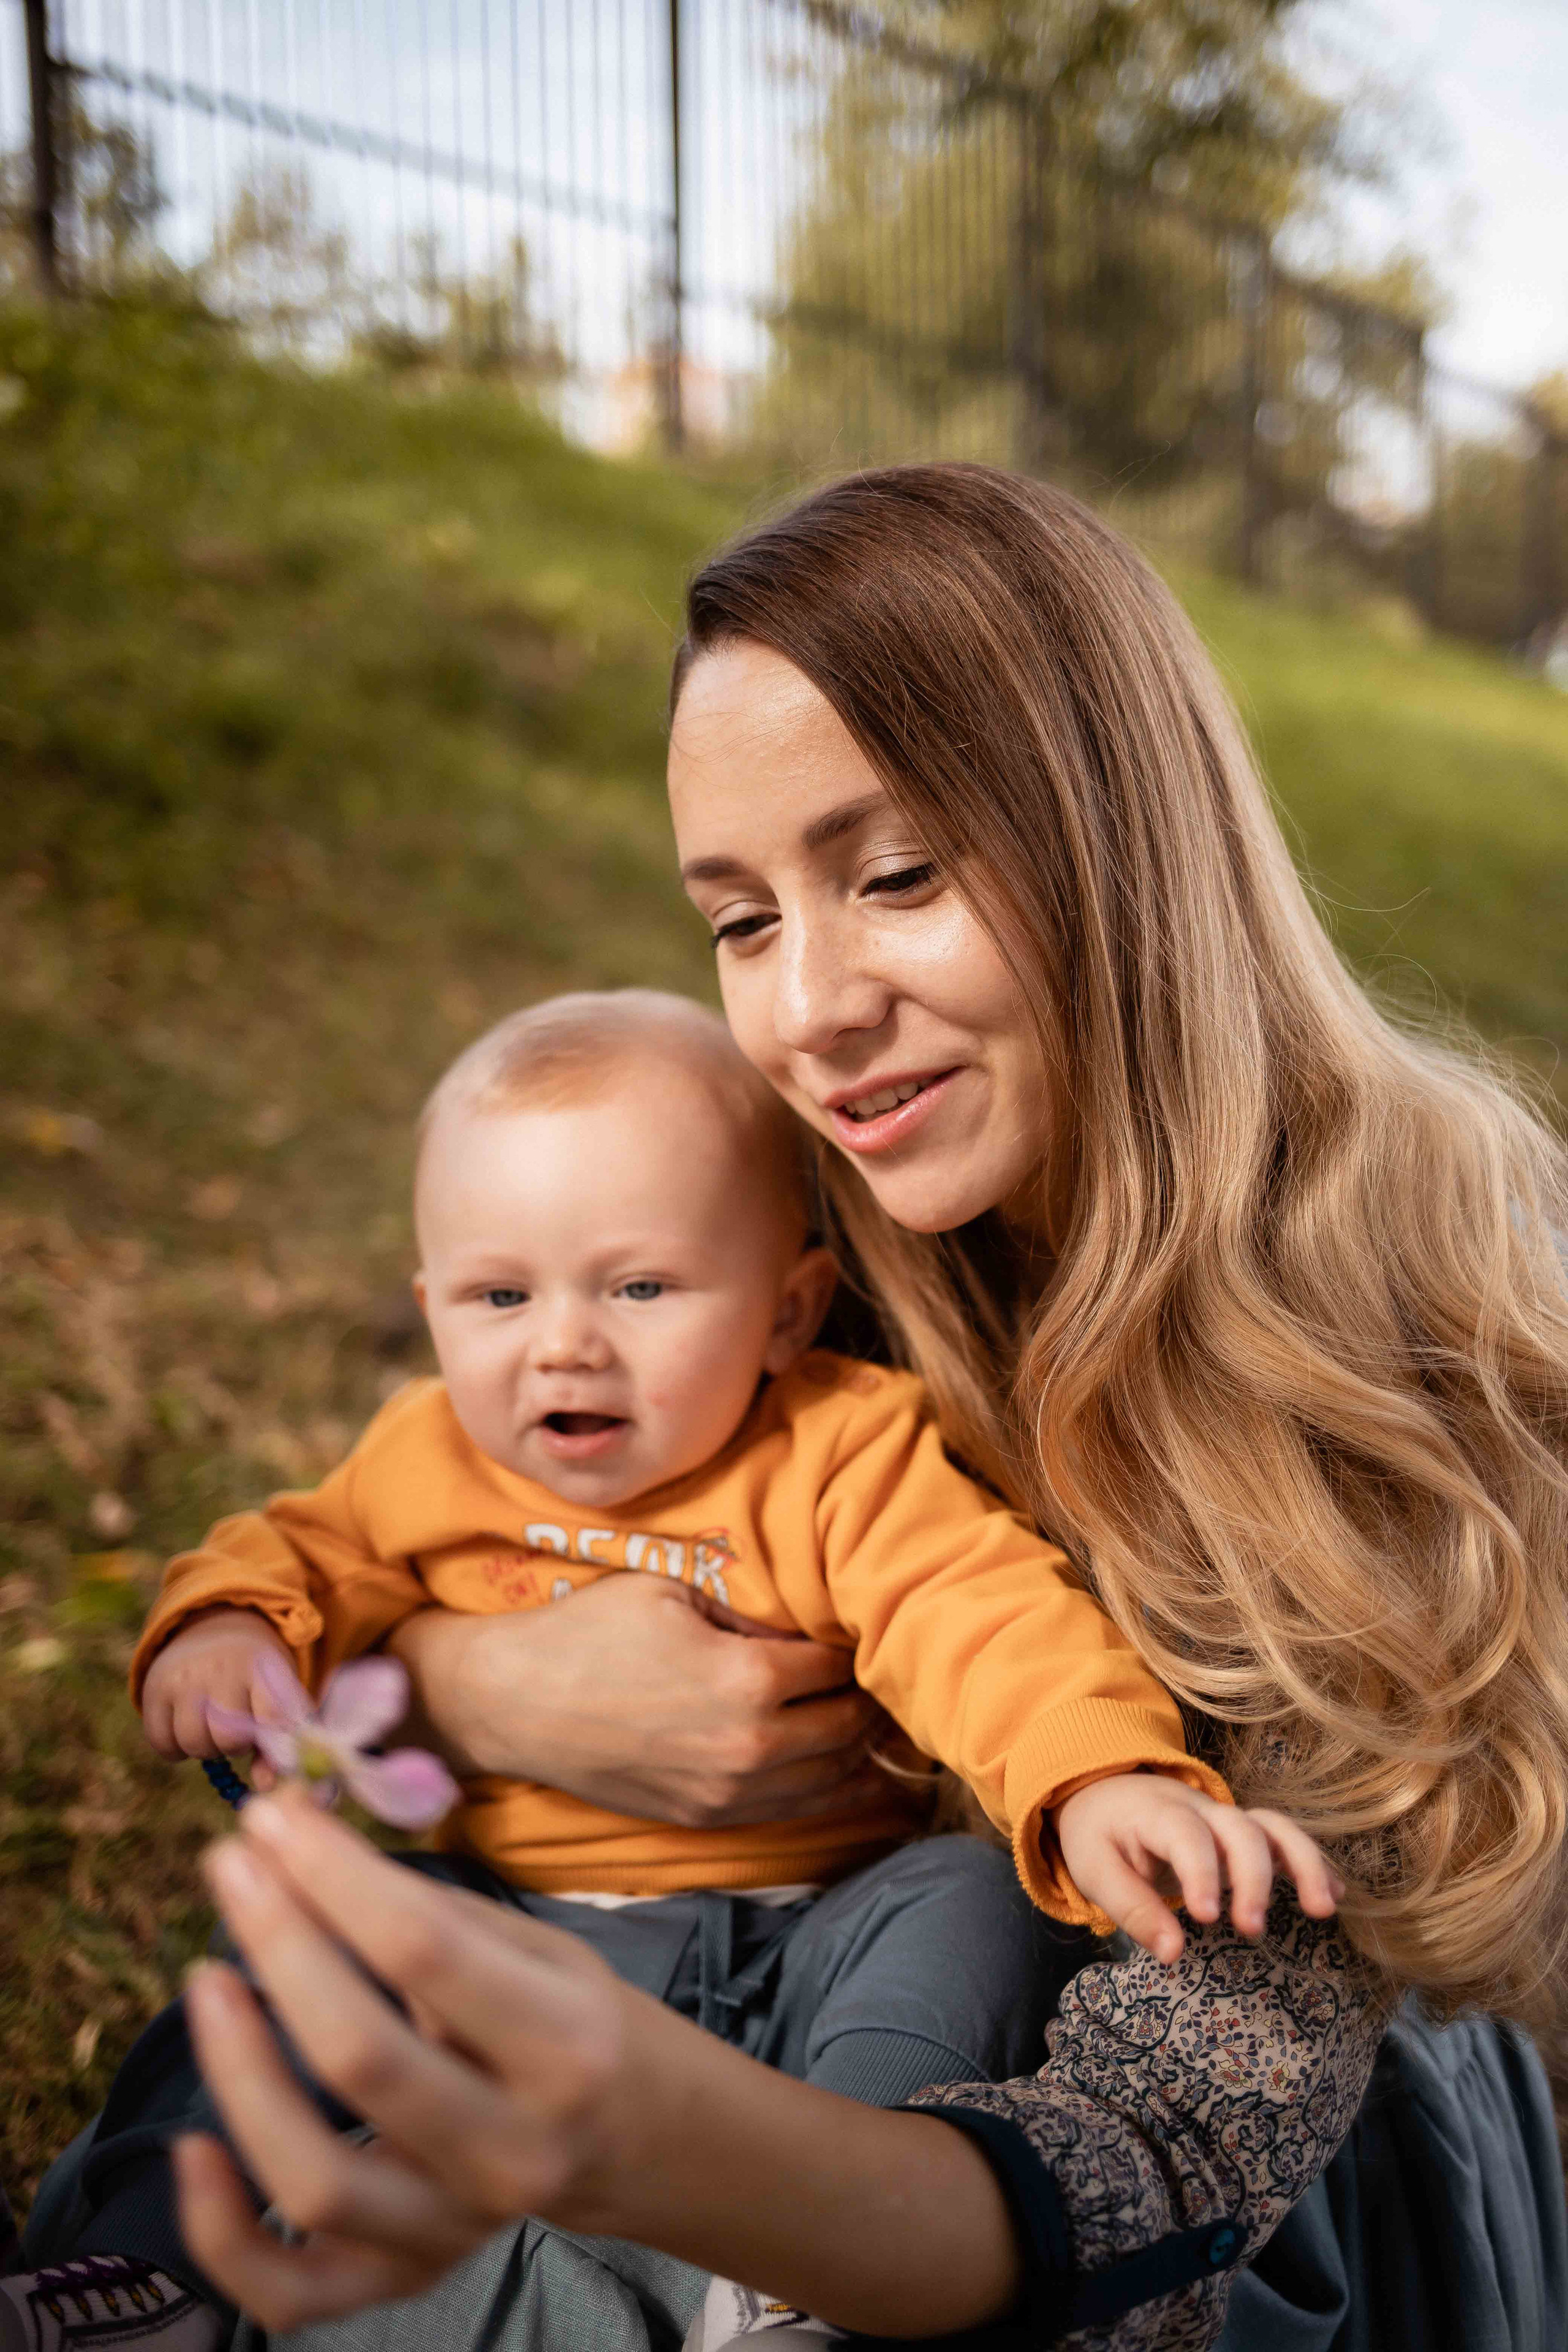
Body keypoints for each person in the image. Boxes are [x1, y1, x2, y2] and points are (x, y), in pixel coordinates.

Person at [22, 463, 1568, 2351]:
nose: (811, 1011)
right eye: (743, 919)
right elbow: (444, 1494)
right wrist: (464, 1685)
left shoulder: (1417, 1313)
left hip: (1188, 2187)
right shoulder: (817, 1223)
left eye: (896, 874)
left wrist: (705, 2152)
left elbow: (1190, 2132)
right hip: (710, 1994)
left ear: (1118, 836)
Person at [8, 986, 1338, 2352]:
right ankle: (160, 2275)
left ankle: (821, 2266)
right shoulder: (423, 1459)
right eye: (497, 1294)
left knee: (961, 1904)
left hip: (806, 1928)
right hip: (505, 1921)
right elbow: (292, 1551)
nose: (563, 1341)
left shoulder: (837, 1448)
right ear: (429, 1307)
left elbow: (976, 1610)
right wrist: (228, 1625)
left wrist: (1094, 1776)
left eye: (639, 1287)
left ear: (786, 1310)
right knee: (289, 1960)